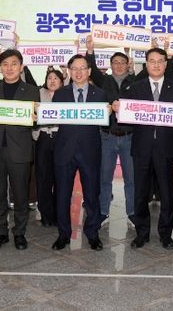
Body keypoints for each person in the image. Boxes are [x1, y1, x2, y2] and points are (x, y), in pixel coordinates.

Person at [114, 47, 173, 250]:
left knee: (167, 193)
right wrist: (119, 110)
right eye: (152, 61)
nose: (156, 65)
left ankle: (166, 234)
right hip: (141, 148)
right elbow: (128, 117)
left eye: (160, 61)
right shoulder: (135, 88)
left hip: (165, 148)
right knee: (140, 193)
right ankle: (142, 233)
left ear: (166, 64)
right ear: (146, 64)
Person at [0, 49, 40, 251]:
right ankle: (1, 232)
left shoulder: (32, 91)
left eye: (14, 64)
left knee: (20, 195)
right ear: (0, 67)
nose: (9, 68)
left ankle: (19, 233)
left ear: (21, 67)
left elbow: (35, 122)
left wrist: (36, 119)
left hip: (19, 150)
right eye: (5, 64)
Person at [51, 54, 107, 251]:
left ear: (89, 71)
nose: (78, 72)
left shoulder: (100, 94)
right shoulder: (60, 94)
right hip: (64, 150)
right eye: (74, 68)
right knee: (62, 195)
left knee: (92, 195)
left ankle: (92, 233)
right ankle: (63, 234)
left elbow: (106, 123)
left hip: (90, 151)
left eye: (82, 68)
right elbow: (52, 117)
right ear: (69, 71)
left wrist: (110, 112)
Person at [85, 37, 136, 229]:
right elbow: (92, 68)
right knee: (104, 178)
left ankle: (132, 213)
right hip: (107, 137)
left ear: (128, 65)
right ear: (111, 65)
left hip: (129, 137)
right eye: (115, 62)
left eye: (123, 62)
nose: (119, 65)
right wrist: (90, 51)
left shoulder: (135, 82)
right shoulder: (103, 80)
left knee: (131, 179)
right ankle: (103, 212)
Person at [32, 68, 64, 227]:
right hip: (43, 137)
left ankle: (58, 213)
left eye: (56, 78)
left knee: (60, 178)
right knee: (43, 177)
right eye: (50, 78)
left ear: (62, 81)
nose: (52, 81)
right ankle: (45, 213)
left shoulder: (66, 95)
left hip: (60, 138)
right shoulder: (38, 93)